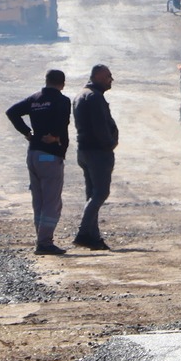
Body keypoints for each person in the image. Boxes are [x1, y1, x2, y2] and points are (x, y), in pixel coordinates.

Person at [5, 69, 71, 255]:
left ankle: (42, 239)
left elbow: (12, 112)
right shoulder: (62, 100)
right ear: (62, 83)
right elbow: (63, 120)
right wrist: (56, 136)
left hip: (33, 154)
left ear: (46, 81)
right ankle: (44, 243)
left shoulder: (35, 99)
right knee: (52, 202)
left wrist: (27, 133)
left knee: (39, 201)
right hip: (50, 156)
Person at [72, 63, 119, 251]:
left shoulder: (82, 96)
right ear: (98, 76)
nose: (111, 80)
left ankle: (93, 236)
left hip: (85, 151)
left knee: (92, 194)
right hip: (97, 152)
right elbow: (100, 126)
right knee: (100, 193)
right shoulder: (93, 97)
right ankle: (84, 233)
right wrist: (109, 144)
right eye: (108, 76)